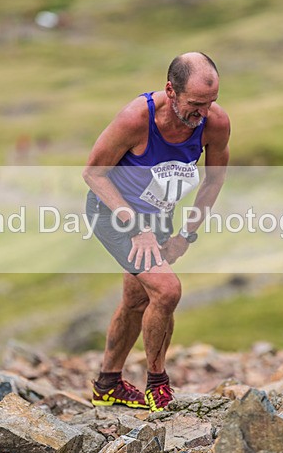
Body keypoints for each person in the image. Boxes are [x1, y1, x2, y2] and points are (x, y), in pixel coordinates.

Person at [82, 52, 231, 412]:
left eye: (210, 103)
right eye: (196, 104)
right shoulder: (137, 118)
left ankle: (108, 384)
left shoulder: (215, 122)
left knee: (137, 300)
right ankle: (157, 382)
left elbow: (214, 180)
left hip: (159, 215)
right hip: (113, 212)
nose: (203, 114)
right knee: (167, 290)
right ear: (171, 90)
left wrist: (186, 234)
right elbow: (93, 173)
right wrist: (137, 229)